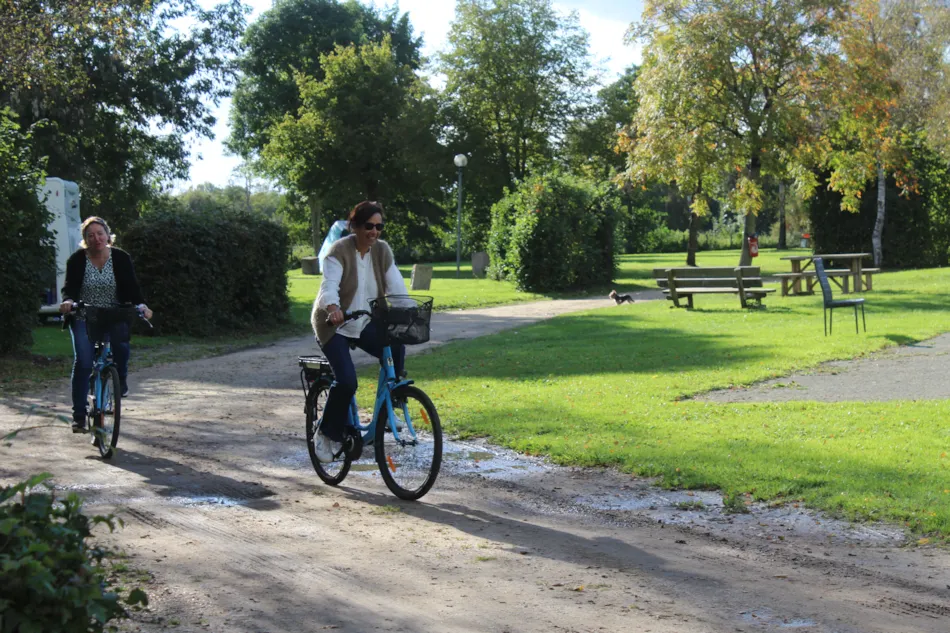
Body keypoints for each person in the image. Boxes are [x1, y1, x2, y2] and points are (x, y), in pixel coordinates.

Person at [310, 200, 408, 462]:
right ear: (354, 226)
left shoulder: (382, 251)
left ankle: (391, 406)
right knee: (347, 381)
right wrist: (333, 308)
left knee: (396, 344)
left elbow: (396, 286)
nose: (374, 232)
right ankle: (325, 433)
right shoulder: (338, 250)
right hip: (334, 325)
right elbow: (329, 285)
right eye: (368, 226)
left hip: (364, 321)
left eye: (379, 227)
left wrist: (409, 310)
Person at [59, 217, 153, 432]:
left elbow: (132, 288)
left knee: (121, 346)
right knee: (83, 361)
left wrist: (142, 306)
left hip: (114, 313)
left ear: (108, 235)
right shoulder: (76, 260)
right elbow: (69, 288)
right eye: (90, 235)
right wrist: (68, 302)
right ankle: (79, 416)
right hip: (84, 314)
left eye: (100, 233)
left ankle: (120, 378)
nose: (96, 238)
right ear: (85, 239)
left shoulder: (120, 258)